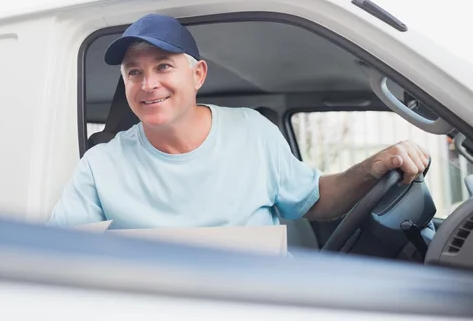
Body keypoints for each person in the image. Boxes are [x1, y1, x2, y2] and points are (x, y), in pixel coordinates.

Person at [48, 14, 430, 229]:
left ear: (197, 75)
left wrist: (373, 167)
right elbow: (59, 253)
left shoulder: (253, 131)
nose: (148, 84)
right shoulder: (100, 166)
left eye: (163, 66)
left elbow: (313, 199)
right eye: (133, 73)